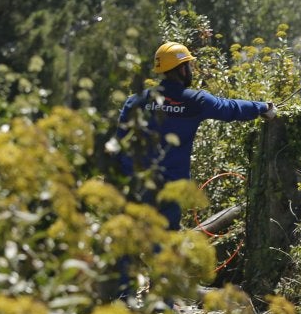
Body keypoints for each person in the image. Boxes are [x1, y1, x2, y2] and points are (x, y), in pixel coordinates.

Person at [115, 41, 274, 231]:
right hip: (169, 188)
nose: (191, 70)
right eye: (189, 65)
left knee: (130, 237)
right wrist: (263, 107)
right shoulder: (194, 101)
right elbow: (230, 108)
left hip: (134, 184)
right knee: (163, 240)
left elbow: (119, 144)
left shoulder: (135, 101)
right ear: (182, 69)